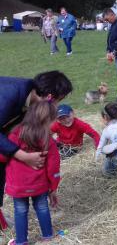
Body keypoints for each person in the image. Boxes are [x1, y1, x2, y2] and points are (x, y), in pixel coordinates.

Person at [0, 71, 72, 226]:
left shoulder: (30, 101)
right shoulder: (11, 94)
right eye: (58, 101)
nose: (57, 106)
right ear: (49, 97)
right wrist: (22, 156)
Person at [1, 101, 60, 245]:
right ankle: (47, 235)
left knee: (20, 211)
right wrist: (53, 187)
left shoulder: (14, 134)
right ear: (47, 120)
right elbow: (53, 166)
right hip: (40, 185)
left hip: (18, 186)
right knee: (42, 207)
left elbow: (3, 156)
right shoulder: (47, 139)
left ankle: (21, 241)